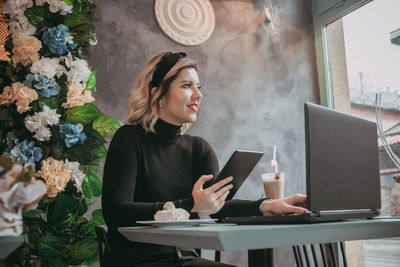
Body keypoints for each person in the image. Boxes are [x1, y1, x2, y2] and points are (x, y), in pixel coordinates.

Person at [101, 52, 307, 267]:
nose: (198, 95)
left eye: (199, 87)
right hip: (136, 261)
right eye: (187, 85)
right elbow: (116, 212)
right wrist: (190, 205)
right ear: (158, 95)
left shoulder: (199, 148)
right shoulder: (128, 138)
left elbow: (218, 206)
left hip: (186, 260)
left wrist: (265, 205)